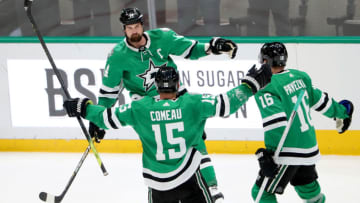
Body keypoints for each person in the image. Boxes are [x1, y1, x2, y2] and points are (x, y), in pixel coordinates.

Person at [90, 7, 238, 202]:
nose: (133, 31)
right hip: (147, 107)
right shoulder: (117, 56)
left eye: (136, 26)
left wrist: (212, 47)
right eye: (129, 28)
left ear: (142, 25)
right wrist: (99, 119)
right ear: (123, 30)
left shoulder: (163, 37)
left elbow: (191, 49)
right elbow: (108, 93)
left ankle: (211, 186)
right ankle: (167, 192)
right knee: (159, 147)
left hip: (175, 96)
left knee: (195, 140)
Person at [64, 65, 272, 203]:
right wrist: (249, 86)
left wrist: (83, 107)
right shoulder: (193, 103)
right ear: (178, 84)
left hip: (157, 183)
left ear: (156, 86)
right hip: (189, 178)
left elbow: (107, 118)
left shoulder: (140, 108)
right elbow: (226, 104)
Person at [251, 42, 354, 202]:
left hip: (286, 150)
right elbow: (320, 100)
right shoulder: (300, 76)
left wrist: (269, 155)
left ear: (264, 61)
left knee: (261, 192)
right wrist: (342, 112)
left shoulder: (265, 87)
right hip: (309, 147)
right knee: (307, 187)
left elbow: (276, 123)